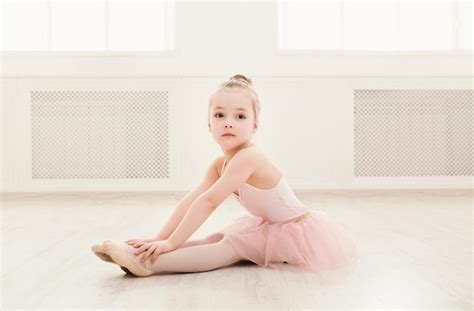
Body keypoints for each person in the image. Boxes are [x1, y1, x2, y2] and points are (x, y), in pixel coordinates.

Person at [91, 74, 359, 277]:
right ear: (209, 123)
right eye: (220, 115)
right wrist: (159, 237)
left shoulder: (249, 157)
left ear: (254, 125)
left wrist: (172, 243)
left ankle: (149, 263)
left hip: (295, 233)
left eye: (240, 116)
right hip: (269, 225)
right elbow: (193, 200)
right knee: (215, 238)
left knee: (228, 247)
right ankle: (140, 252)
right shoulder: (220, 164)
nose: (228, 122)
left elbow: (209, 203)